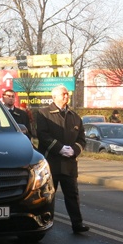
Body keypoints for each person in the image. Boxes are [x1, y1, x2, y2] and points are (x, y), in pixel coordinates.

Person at [35, 85, 89, 234]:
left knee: (72, 195)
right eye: (63, 94)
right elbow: (43, 135)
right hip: (51, 162)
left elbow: (82, 139)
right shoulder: (44, 113)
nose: (67, 96)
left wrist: (74, 150)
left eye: (67, 94)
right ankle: (44, 222)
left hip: (69, 163)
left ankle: (77, 224)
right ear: (54, 97)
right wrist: (59, 148)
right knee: (48, 196)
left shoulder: (75, 116)